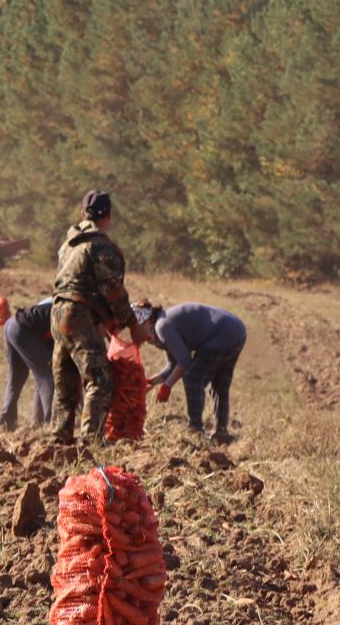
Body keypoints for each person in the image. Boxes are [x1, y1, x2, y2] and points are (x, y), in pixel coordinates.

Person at [50, 189, 143, 444]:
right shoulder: (100, 246)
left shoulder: (68, 245)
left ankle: (59, 438)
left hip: (57, 314)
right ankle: (91, 442)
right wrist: (131, 324)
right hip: (79, 315)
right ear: (108, 217)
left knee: (66, 382)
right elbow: (112, 289)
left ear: (83, 214)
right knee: (100, 380)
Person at [146, 301, 247, 442]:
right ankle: (221, 431)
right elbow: (172, 364)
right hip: (236, 330)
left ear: (148, 320)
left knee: (193, 377)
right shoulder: (163, 322)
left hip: (223, 333)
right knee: (219, 385)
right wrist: (150, 382)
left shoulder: (161, 326)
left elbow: (184, 361)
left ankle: (196, 429)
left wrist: (168, 386)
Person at [0, 297, 55, 430]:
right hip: (23, 329)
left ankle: (7, 420)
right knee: (49, 375)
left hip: (11, 325)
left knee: (18, 377)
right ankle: (51, 425)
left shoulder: (58, 299)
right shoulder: (71, 309)